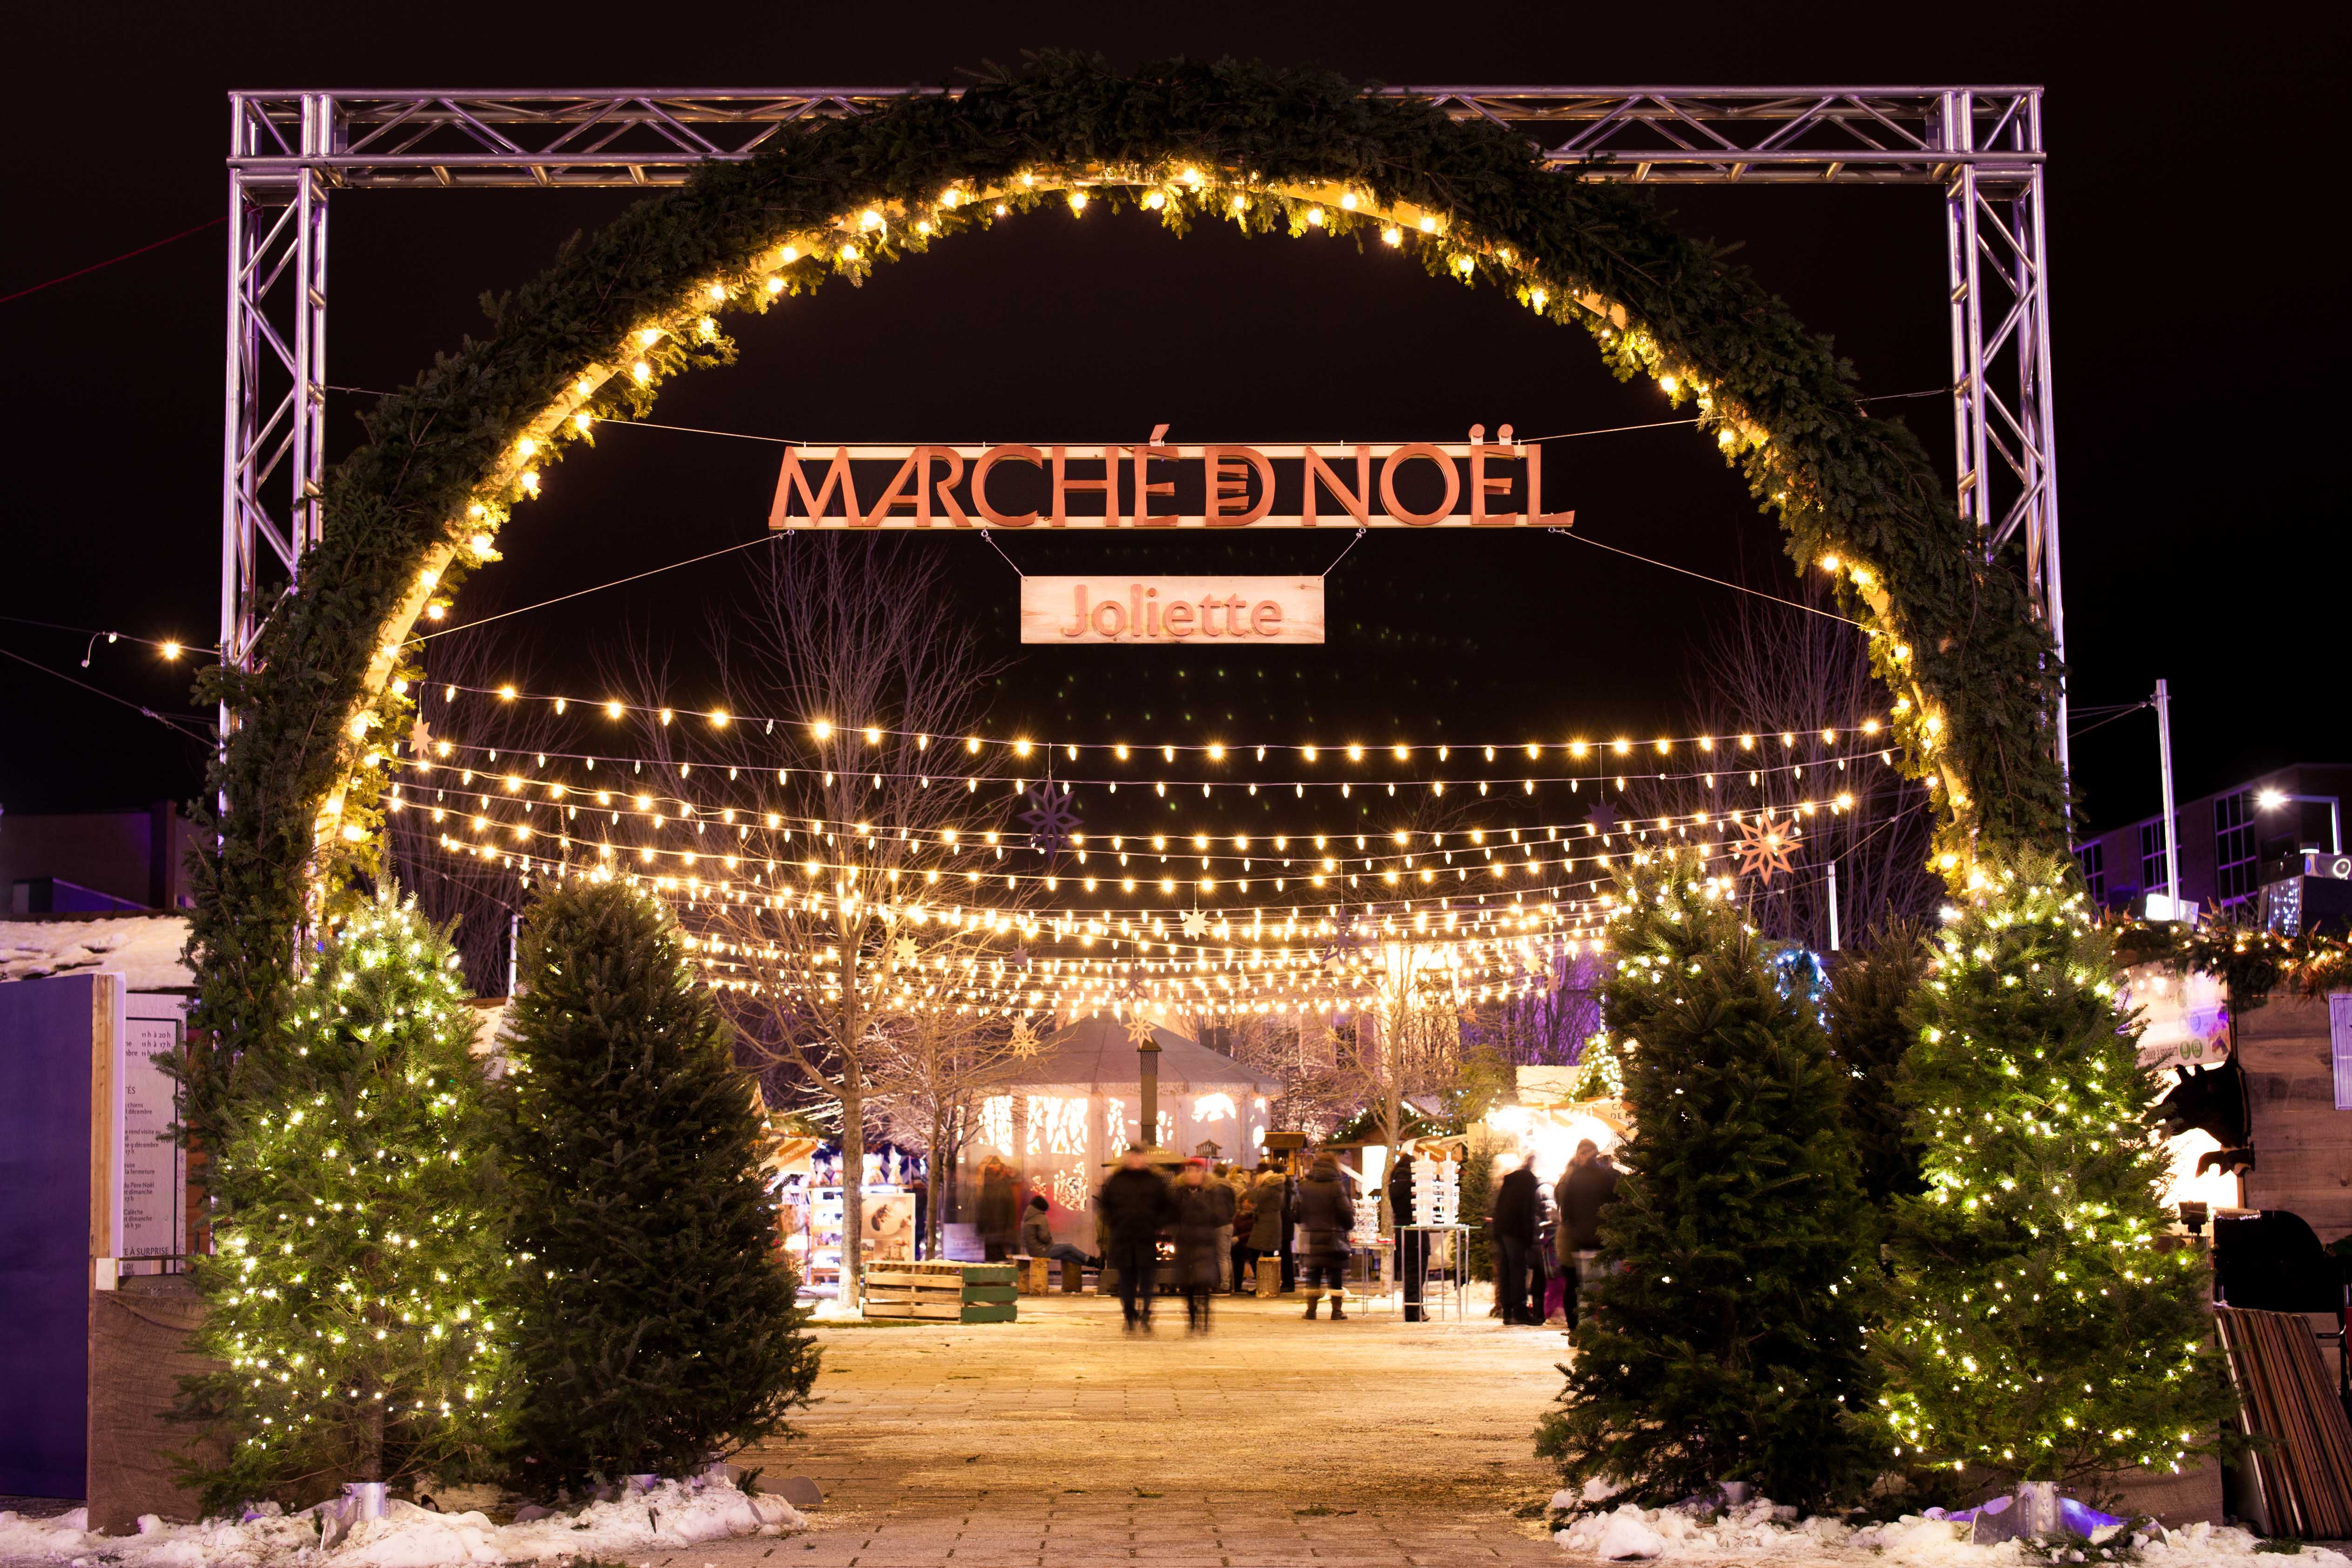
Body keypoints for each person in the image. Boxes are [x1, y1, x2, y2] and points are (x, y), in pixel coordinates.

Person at [1097, 1145, 1172, 1331]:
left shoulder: (1154, 1181)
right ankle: (1129, 1315)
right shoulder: (1117, 1180)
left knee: (1147, 1280)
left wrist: (1156, 1224)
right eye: (1133, 1157)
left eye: (1140, 1157)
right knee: (1127, 1280)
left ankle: (1146, 1313)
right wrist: (1115, 1222)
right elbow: (1104, 1206)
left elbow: (1167, 1206)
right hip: (1123, 1238)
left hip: (1146, 1238)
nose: (1137, 1161)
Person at [1554, 1139, 1622, 1330]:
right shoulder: (1606, 1177)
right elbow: (1617, 1202)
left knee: (1584, 1292)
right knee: (1606, 1290)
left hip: (1579, 1242)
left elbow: (1565, 1210)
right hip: (1601, 1242)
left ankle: (1583, 1334)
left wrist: (1576, 1230)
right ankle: (1608, 1333)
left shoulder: (1572, 1177)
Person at [1168, 1159, 1237, 1331]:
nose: (1193, 1175)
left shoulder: (1212, 1193)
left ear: (1203, 1173)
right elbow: (1171, 1215)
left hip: (1205, 1242)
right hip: (1185, 1243)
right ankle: (1192, 1314)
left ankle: (1205, 1312)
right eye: (1190, 1171)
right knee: (1188, 1284)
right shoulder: (1179, 1193)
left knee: (1203, 1280)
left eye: (1196, 1171)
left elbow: (1219, 1215)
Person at [1294, 1151, 1356, 1320]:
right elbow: (1345, 1211)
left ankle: (1311, 1310)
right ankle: (1336, 1311)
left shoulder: (1305, 1185)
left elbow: (1296, 1213)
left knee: (1313, 1273)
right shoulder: (1336, 1186)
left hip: (1311, 1238)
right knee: (1335, 1273)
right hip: (1333, 1238)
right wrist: (1349, 1225)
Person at [1491, 1151, 1541, 1325]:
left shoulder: (1510, 1180)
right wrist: (1528, 1237)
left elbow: (1500, 1207)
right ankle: (1520, 1312)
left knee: (1506, 1271)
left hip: (1503, 1229)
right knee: (1518, 1271)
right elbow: (1527, 1210)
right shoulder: (1528, 1181)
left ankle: (1507, 1312)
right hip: (1516, 1231)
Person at [1020, 1194, 1098, 1270]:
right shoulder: (1040, 1217)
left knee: (1066, 1256)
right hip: (1041, 1251)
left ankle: (1093, 1264)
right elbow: (1044, 1238)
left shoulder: (1027, 1217)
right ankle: (1090, 1260)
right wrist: (1050, 1241)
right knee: (1069, 1247)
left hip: (1033, 1251)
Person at [1243, 1163, 1288, 1292]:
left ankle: (1264, 1284)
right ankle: (1267, 1285)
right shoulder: (1277, 1187)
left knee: (1254, 1252)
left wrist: (1251, 1185)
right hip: (1271, 1222)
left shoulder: (1268, 1188)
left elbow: (1254, 1198)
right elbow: (1267, 1204)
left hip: (1266, 1224)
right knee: (1267, 1254)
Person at [977, 1155, 1018, 1262]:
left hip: (996, 1229)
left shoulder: (988, 1184)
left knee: (995, 1256)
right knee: (995, 1256)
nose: (992, 1169)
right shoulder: (994, 1184)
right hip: (995, 1229)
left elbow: (1009, 1209)